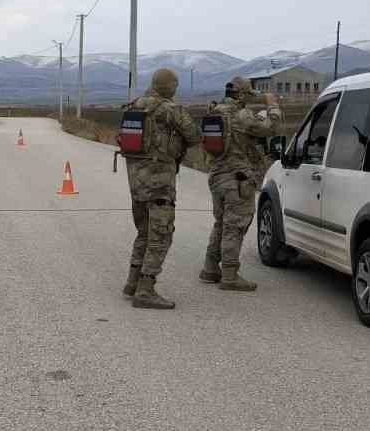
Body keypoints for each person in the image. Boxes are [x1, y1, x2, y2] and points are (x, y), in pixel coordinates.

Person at [122, 67, 203, 310]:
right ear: (168, 87)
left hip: (136, 182)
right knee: (161, 234)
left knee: (144, 232)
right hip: (159, 183)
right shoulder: (170, 109)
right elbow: (195, 135)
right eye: (175, 85)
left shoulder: (134, 106)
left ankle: (132, 281)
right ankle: (146, 290)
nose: (176, 89)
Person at [202, 78, 285, 292]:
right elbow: (271, 128)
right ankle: (229, 275)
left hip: (217, 176)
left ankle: (211, 268)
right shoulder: (241, 114)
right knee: (235, 226)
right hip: (237, 179)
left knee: (221, 223)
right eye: (250, 93)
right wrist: (272, 104)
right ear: (242, 94)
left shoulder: (214, 111)